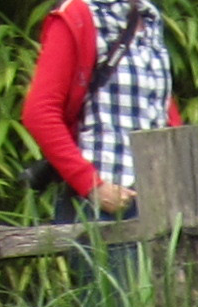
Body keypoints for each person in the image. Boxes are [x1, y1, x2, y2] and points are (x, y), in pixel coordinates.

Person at [23, 0, 180, 221]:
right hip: (102, 202)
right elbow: (40, 113)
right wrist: (92, 185)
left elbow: (157, 102)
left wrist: (180, 174)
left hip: (159, 196)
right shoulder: (79, 15)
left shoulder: (149, 16)